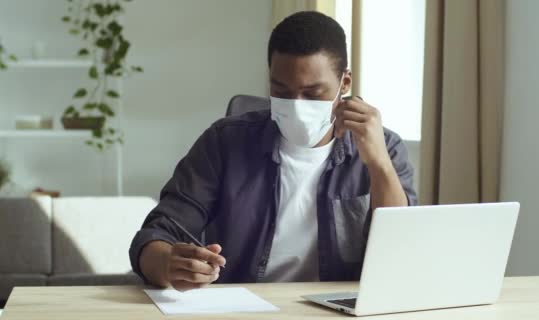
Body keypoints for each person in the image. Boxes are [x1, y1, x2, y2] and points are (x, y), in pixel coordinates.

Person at [129, 11, 417, 291]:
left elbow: (401, 252)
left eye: (313, 94)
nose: (296, 104)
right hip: (242, 308)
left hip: (336, 310)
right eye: (282, 90)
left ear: (344, 83)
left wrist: (379, 165)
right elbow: (155, 235)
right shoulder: (225, 143)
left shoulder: (384, 147)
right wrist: (168, 264)